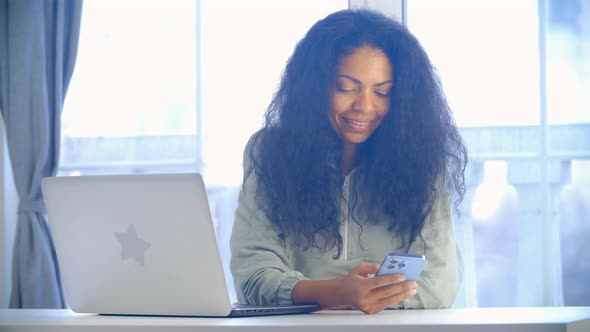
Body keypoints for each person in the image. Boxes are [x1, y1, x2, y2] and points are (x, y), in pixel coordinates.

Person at [230, 8, 467, 314]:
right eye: (347, 87)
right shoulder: (269, 151)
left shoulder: (421, 158)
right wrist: (339, 292)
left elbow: (438, 285)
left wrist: (323, 296)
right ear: (315, 88)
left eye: (382, 92)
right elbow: (252, 276)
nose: (365, 106)